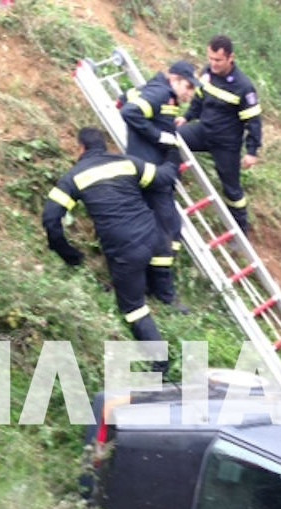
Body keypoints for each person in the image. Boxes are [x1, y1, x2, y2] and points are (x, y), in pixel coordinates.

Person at [42, 127, 181, 372]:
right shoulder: (126, 163)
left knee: (133, 307)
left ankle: (160, 362)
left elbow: (51, 219)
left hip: (126, 249)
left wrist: (68, 253)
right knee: (155, 261)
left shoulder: (75, 177)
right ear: (104, 145)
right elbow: (165, 177)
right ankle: (167, 298)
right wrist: (173, 150)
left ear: (80, 148)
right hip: (154, 238)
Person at [119, 61, 200, 310]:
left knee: (163, 228)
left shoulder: (158, 92)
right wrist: (158, 136)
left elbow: (125, 99)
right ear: (174, 79)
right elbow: (130, 111)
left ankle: (147, 284)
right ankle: (163, 294)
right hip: (151, 171)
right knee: (168, 226)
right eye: (187, 87)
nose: (189, 94)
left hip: (153, 169)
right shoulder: (160, 93)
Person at [177, 35, 262, 235]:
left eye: (218, 60)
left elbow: (254, 122)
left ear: (230, 58)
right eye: (210, 58)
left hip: (226, 144)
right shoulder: (208, 73)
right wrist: (187, 117)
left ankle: (241, 229)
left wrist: (252, 151)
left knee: (232, 190)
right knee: (174, 139)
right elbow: (199, 99)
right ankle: (170, 184)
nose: (213, 64)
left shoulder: (243, 87)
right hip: (203, 131)